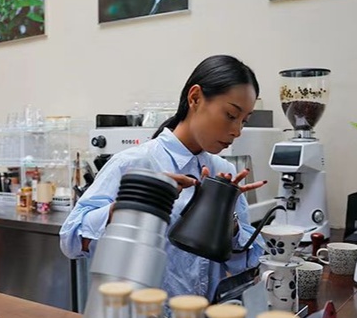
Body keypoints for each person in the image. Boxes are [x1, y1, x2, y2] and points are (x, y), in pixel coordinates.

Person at [59, 55, 267, 300]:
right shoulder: (134, 163)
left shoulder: (225, 173)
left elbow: (243, 264)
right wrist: (134, 205)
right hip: (138, 317)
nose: (237, 131)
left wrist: (228, 225)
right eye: (231, 115)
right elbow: (71, 242)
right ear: (195, 98)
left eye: (244, 121)